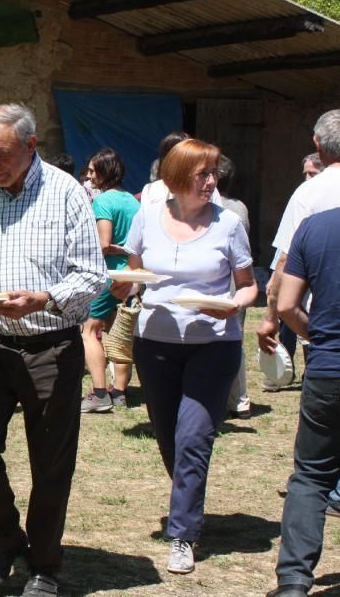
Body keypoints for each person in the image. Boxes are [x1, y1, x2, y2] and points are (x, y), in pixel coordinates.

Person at [0, 103, 106, 596]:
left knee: (50, 462)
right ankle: (7, 538)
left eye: (2, 156)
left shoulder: (67, 194)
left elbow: (91, 274)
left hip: (51, 346)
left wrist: (46, 298)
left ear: (31, 146)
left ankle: (45, 565)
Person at [112, 139, 256, 575]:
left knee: (194, 436)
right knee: (168, 436)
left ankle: (183, 534)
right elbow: (135, 277)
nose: (212, 181)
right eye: (202, 174)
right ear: (175, 180)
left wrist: (234, 304)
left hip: (213, 344)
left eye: (213, 173)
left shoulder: (229, 225)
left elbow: (250, 285)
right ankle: (189, 501)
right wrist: (123, 285)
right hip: (154, 344)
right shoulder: (145, 219)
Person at [269, 206, 340, 597]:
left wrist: (321, 338)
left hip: (328, 368)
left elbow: (285, 306)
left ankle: (294, 580)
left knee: (312, 476)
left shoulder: (314, 227)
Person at [257, 111, 340, 383]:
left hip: (324, 317)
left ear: (317, 143)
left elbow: (285, 260)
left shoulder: (308, 193)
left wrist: (271, 317)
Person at [79, 148, 141, 413]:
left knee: (90, 330)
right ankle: (120, 393)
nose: (89, 175)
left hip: (109, 275)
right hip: (132, 274)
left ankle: (100, 393)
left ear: (104, 173)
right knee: (120, 331)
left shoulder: (102, 202)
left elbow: (102, 244)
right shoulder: (133, 201)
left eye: (93, 170)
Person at [217, 155, 253, 419]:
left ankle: (234, 399)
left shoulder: (226, 211)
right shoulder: (240, 207)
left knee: (228, 338)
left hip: (228, 279)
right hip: (234, 277)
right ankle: (239, 400)